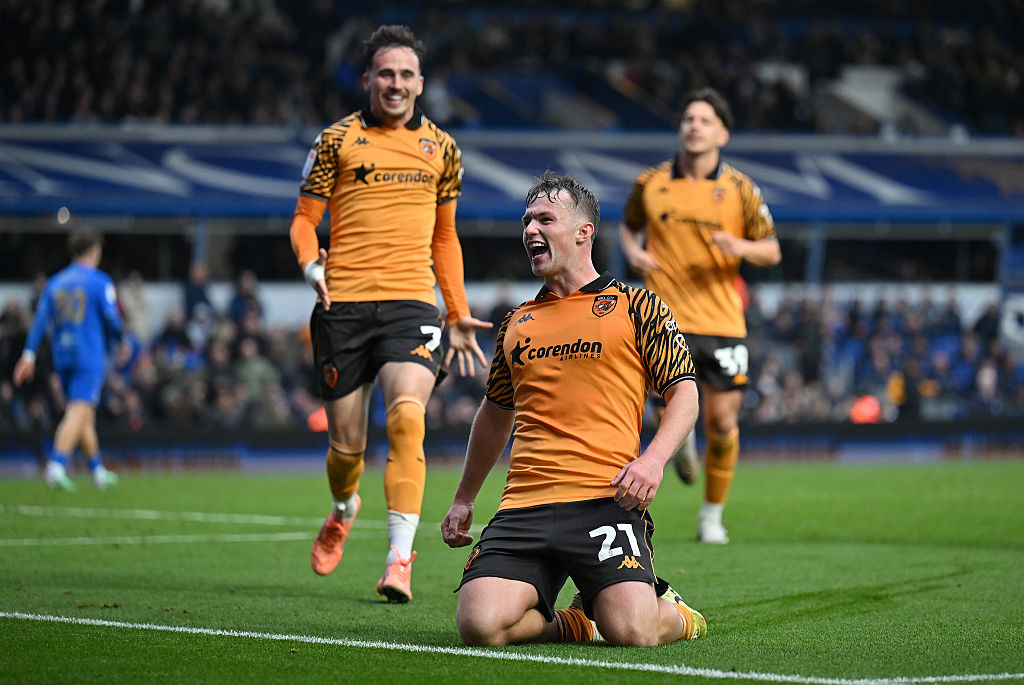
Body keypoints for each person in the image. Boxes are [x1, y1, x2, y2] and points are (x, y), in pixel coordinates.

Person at [441, 172, 706, 647]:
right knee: (479, 626)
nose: (530, 230)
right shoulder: (516, 322)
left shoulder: (638, 305)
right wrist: (464, 498)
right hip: (525, 503)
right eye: (526, 221)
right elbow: (495, 415)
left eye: (545, 219)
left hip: (605, 498)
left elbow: (684, 392)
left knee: (632, 632)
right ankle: (576, 623)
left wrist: (653, 460)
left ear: (584, 232)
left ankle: (679, 614)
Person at [289, 24, 491, 603]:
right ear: (368, 80)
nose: (396, 83)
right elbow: (305, 219)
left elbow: (446, 237)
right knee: (346, 450)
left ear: (420, 84)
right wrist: (309, 265)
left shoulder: (443, 149)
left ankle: (399, 557)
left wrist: (457, 311)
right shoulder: (336, 141)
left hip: (411, 304)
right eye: (386, 73)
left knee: (407, 418)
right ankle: (342, 508)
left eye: (406, 74)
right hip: (343, 305)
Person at [618, 87, 781, 544]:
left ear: (722, 134)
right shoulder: (649, 182)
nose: (694, 126)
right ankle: (679, 438)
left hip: (723, 322)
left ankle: (711, 516)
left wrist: (741, 247)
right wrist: (634, 252)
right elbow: (628, 227)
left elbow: (772, 249)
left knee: (724, 423)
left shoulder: (740, 189)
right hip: (662, 317)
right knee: (656, 408)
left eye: (705, 120)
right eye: (689, 118)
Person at [12, 229, 123, 491]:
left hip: (62, 355)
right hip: (89, 353)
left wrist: (28, 355)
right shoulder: (100, 281)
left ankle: (97, 471)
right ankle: (56, 464)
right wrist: (121, 340)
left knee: (84, 413)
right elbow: (112, 320)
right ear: (95, 251)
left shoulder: (56, 282)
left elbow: (40, 322)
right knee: (78, 410)